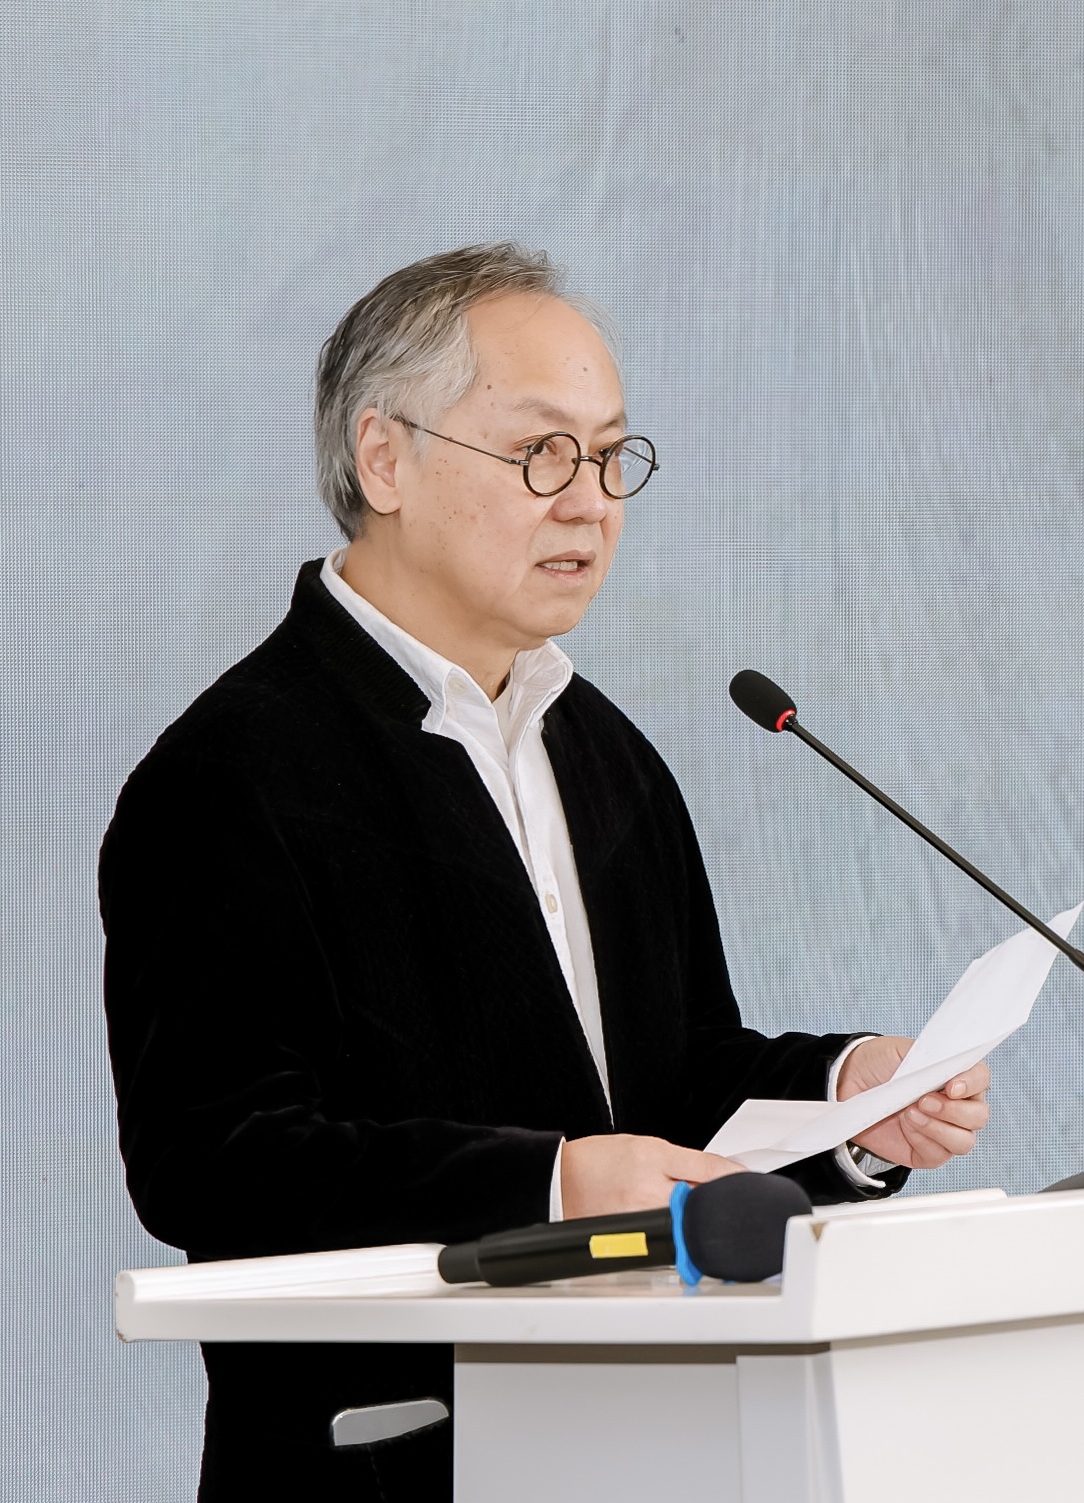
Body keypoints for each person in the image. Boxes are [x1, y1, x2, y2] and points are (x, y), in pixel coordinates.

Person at [99, 242, 991, 1502]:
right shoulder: (229, 774)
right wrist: (553, 1183)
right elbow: (214, 1160)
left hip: (650, 1448)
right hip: (389, 1464)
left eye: (611, 456)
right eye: (541, 453)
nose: (590, 503)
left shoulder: (604, 753)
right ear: (384, 459)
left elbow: (672, 1084)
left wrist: (847, 1101)